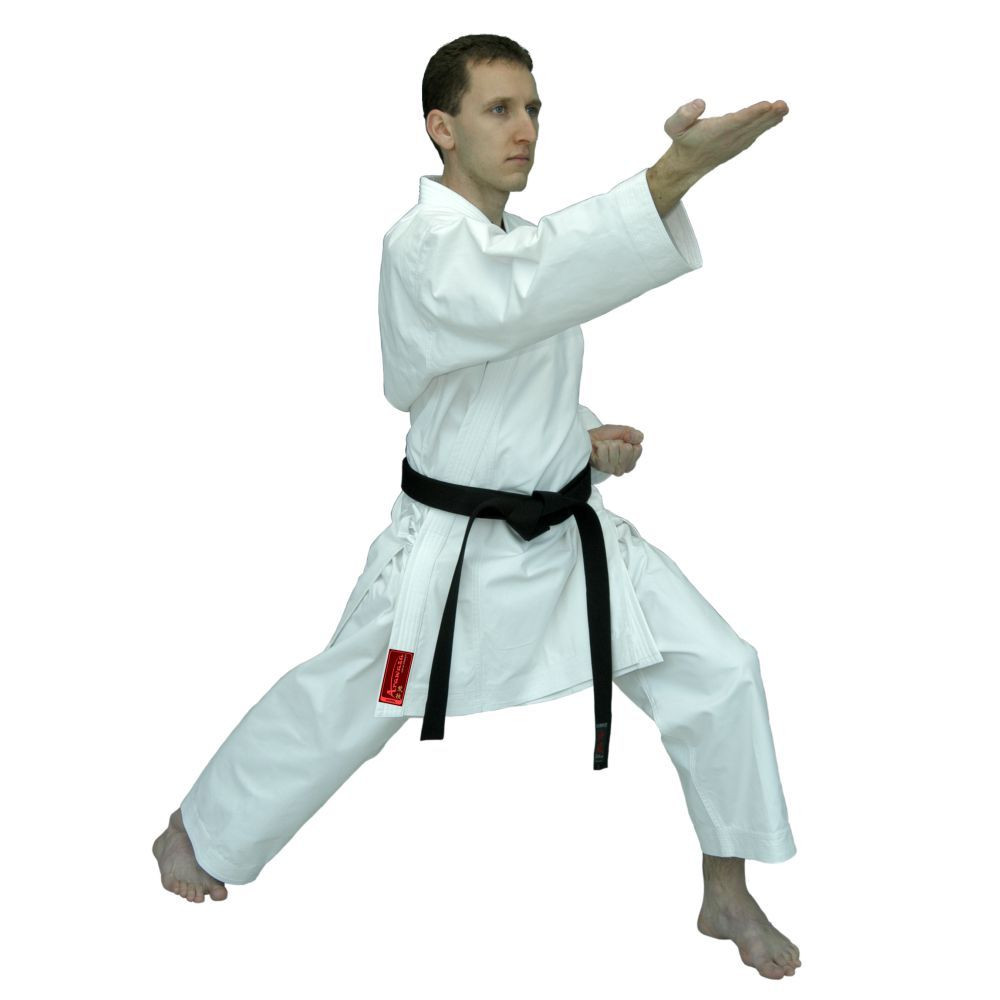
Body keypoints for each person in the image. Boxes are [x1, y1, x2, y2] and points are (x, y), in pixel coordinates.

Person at [153, 33, 801, 981]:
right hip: (451, 554)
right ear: (442, 128)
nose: (525, 128)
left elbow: (508, 370)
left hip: (568, 536)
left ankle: (726, 889)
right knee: (350, 700)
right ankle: (200, 829)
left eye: (533, 108)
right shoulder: (424, 245)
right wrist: (671, 176)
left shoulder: (516, 244)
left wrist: (585, 442)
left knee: (721, 668)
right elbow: (513, 300)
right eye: (500, 109)